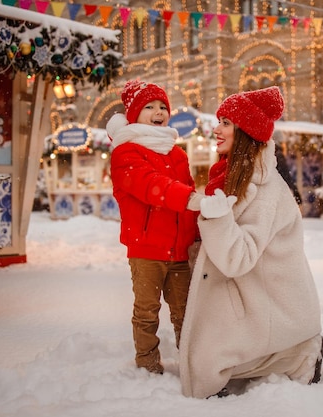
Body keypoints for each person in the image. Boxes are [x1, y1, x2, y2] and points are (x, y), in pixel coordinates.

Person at [178, 86, 323, 399]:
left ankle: (301, 354)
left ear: (245, 132)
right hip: (258, 297)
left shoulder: (265, 190)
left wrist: (216, 217)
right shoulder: (235, 175)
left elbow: (237, 258)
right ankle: (291, 349)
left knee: (205, 361)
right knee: (197, 355)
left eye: (226, 123)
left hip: (273, 307)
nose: (216, 129)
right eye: (218, 121)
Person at [106, 80, 203, 375]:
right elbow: (151, 186)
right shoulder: (126, 152)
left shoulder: (178, 154)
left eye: (163, 106)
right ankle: (147, 364)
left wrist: (198, 235)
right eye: (149, 107)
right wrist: (190, 198)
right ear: (134, 114)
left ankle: (192, 362)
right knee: (147, 311)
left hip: (180, 248)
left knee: (186, 312)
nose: (158, 111)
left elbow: (189, 193)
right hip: (147, 248)